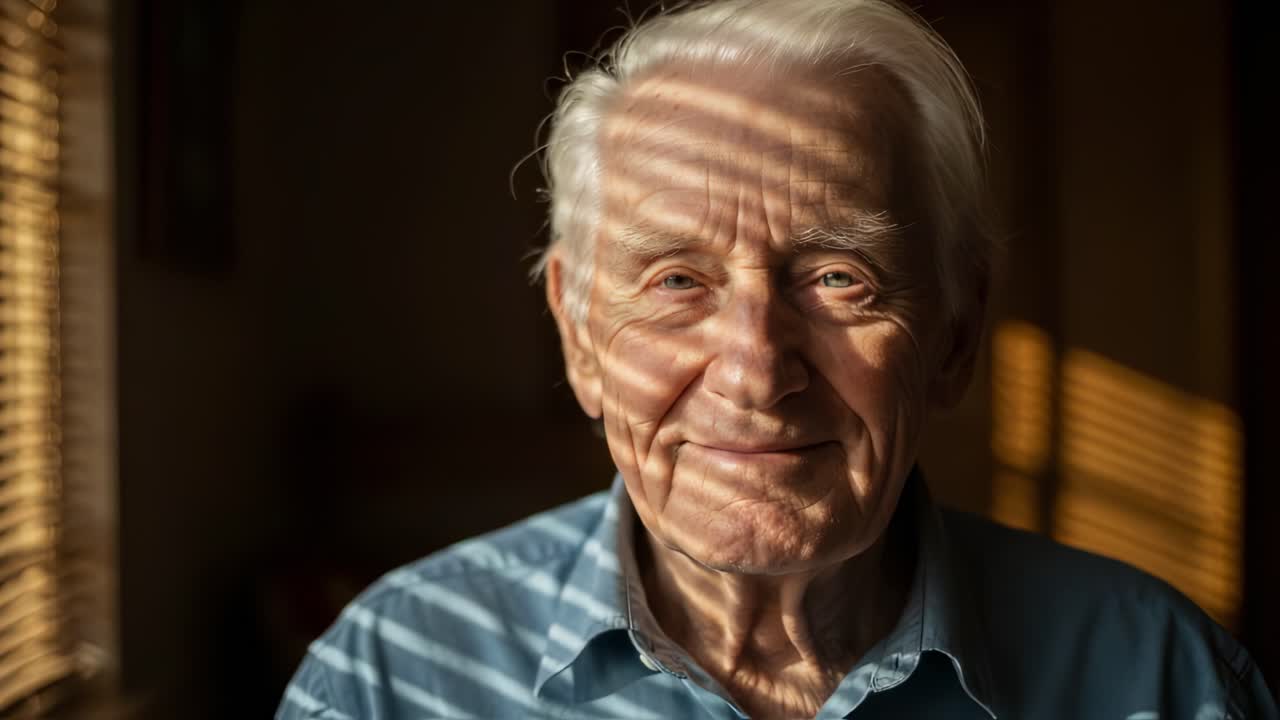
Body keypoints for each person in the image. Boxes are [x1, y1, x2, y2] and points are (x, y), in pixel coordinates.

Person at [277, 1, 1277, 717]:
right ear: (578, 334)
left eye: (840, 278)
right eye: (676, 280)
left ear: (956, 335)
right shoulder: (392, 676)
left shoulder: (1160, 679)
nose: (755, 372)